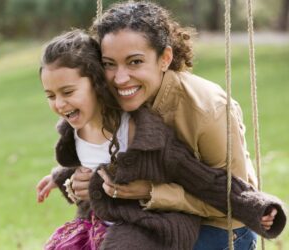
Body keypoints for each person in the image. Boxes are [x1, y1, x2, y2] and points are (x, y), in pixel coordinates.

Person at [36, 29, 286, 249]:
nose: (59, 103)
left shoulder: (140, 132)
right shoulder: (73, 129)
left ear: (97, 83)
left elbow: (200, 177)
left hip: (150, 224)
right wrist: (63, 177)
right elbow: (90, 165)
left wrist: (255, 206)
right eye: (50, 95)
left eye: (67, 92)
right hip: (103, 222)